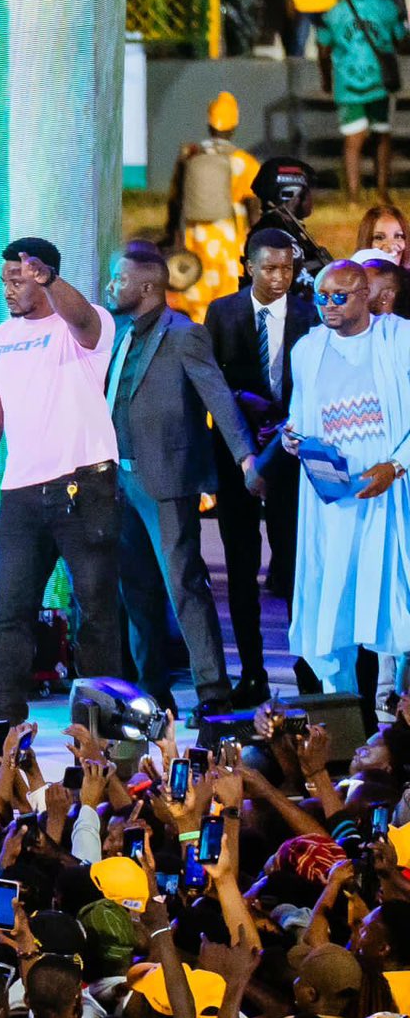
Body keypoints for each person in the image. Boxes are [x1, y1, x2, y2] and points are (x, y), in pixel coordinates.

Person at [0, 238, 121, 725]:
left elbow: (83, 321)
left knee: (96, 609)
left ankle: (100, 724)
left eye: (18, 280)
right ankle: (5, 724)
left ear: (45, 275)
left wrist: (49, 282)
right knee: (11, 612)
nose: (7, 289)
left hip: (84, 484)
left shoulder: (85, 323)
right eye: (4, 280)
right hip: (21, 493)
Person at [102, 242, 264, 719]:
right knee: (136, 592)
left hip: (167, 480)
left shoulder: (183, 335)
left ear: (148, 286)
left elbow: (219, 398)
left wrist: (246, 457)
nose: (113, 287)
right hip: (120, 481)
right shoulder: (120, 335)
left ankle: (212, 690)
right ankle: (152, 692)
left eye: (120, 279)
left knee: (184, 585)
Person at [283, 259, 410, 697]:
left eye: (340, 296)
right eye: (321, 297)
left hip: (388, 498)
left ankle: (395, 716)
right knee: (331, 606)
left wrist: (396, 466)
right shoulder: (307, 349)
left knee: (393, 606)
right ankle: (343, 721)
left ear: (366, 297)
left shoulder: (399, 340)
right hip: (332, 504)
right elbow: (299, 417)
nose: (328, 306)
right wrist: (291, 437)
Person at [205, 228, 320, 704]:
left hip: (291, 453)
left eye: (287, 269)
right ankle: (251, 673)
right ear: (249, 266)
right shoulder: (223, 311)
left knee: (294, 565)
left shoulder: (310, 314)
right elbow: (209, 382)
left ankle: (306, 667)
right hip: (236, 455)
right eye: (269, 269)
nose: (279, 278)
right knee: (240, 565)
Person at [315, 0, 407, 202]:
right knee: (382, 137)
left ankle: (353, 197)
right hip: (380, 82)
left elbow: (323, 48)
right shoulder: (386, 7)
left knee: (352, 142)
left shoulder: (336, 11)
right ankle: (382, 192)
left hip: (348, 84)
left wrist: (325, 79)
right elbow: (401, 40)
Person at [164, 92, 261, 319]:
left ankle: (198, 324)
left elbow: (176, 199)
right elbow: (253, 206)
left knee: (198, 284)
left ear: (209, 122)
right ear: (234, 124)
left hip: (195, 234)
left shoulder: (191, 156)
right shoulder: (244, 162)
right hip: (228, 233)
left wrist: (172, 234)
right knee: (228, 286)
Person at [251, 156, 334, 276]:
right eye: (308, 191)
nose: (312, 197)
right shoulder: (276, 236)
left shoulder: (285, 228)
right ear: (293, 194)